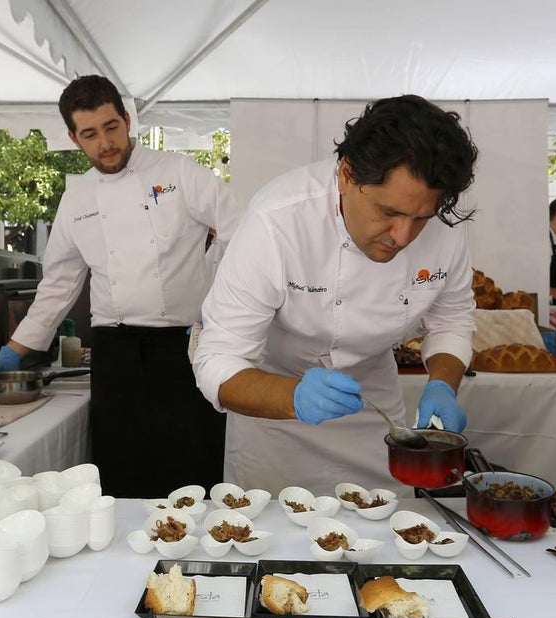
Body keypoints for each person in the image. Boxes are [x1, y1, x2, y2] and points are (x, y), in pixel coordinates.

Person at [192, 94, 478, 493]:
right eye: (390, 212)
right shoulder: (277, 220)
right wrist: (294, 396)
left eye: (420, 219)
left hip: (374, 412)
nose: (402, 237)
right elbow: (218, 359)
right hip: (274, 410)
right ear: (346, 175)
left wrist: (443, 384)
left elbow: (452, 320)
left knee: (386, 521)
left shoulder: (445, 229)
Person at [0, 75, 244, 498]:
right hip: (115, 353)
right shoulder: (77, 198)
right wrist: (17, 348)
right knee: (123, 472)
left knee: (194, 468)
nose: (105, 143)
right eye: (90, 134)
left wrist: (215, 303)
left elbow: (242, 234)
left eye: (111, 127)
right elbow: (59, 282)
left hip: (183, 349)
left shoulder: (178, 172)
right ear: (74, 138)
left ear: (126, 120)